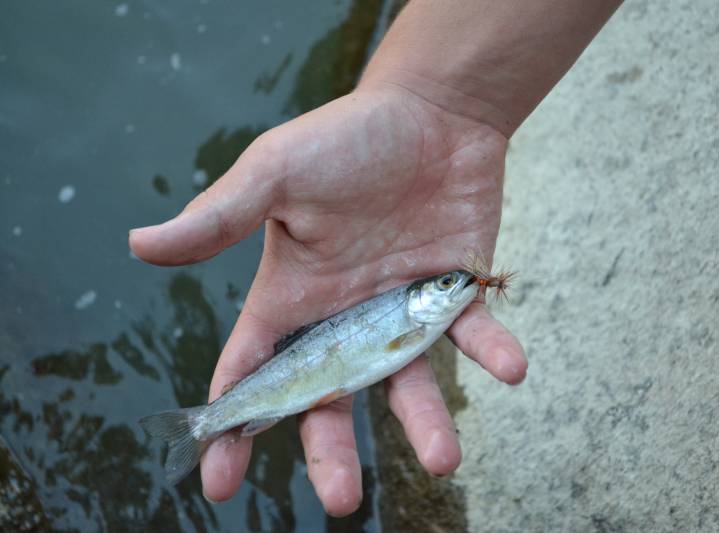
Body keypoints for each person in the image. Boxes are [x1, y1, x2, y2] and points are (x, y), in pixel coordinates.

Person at [129, 0, 622, 517]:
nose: (461, 287)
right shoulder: (412, 325)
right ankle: (202, 422)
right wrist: (432, 98)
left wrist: (440, 102)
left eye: (453, 284)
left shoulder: (416, 323)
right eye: (451, 284)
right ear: (424, 300)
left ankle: (206, 421)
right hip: (298, 373)